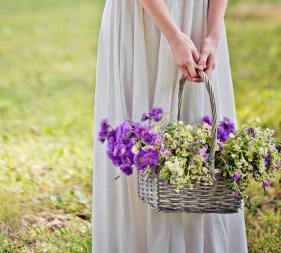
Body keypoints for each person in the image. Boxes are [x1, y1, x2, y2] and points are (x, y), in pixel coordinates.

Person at [91, 0, 248, 252]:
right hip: (142, 19)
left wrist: (212, 34)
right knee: (142, 130)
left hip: (198, 16)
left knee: (198, 121)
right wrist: (173, 35)